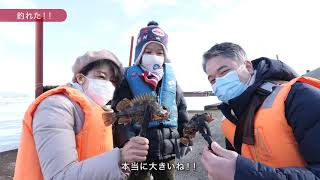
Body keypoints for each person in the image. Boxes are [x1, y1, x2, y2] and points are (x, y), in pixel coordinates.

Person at [14, 49, 149, 180]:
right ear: (80, 78)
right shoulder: (56, 107)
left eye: (113, 81)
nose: (108, 85)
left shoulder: (102, 111)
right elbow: (59, 176)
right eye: (101, 76)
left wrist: (123, 166)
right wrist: (120, 157)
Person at [200, 42, 320, 180]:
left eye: (224, 72)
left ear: (248, 67)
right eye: (212, 79)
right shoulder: (230, 117)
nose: (219, 82)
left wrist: (241, 173)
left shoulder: (299, 96)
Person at [112, 21, 191, 180]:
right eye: (148, 51)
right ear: (140, 54)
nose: (154, 55)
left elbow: (181, 109)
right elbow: (121, 112)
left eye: (159, 52)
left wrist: (185, 138)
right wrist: (127, 142)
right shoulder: (127, 76)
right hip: (139, 150)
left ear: (165, 55)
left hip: (168, 150)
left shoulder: (171, 78)